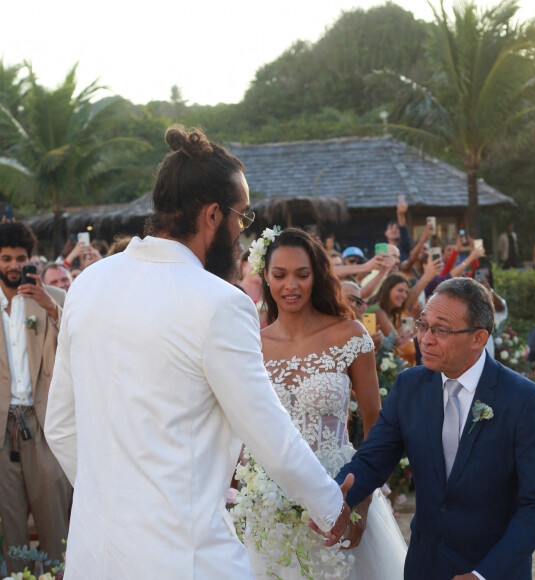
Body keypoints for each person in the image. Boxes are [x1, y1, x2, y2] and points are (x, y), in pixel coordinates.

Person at [44, 127, 351, 580]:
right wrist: (329, 505)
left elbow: (60, 427)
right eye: (241, 218)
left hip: (94, 555)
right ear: (213, 215)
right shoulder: (219, 304)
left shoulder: (88, 284)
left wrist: (114, 501)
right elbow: (268, 432)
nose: (242, 234)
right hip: (183, 558)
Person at [331, 277, 535, 580]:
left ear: (478, 338)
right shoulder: (409, 387)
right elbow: (372, 460)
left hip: (493, 568)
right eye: (422, 325)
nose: (424, 339)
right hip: (425, 566)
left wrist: (482, 574)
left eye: (441, 330)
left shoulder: (524, 400)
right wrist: (333, 501)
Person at [242, 227, 406, 579]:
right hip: (271, 502)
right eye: (280, 275)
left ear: (316, 275)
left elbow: (376, 425)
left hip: (342, 492)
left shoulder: (349, 336)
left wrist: (361, 499)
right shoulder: (251, 344)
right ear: (265, 278)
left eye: (302, 274)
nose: (292, 286)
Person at [0, 222, 73, 574]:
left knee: (54, 524)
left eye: (21, 258)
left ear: (32, 260)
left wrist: (50, 306)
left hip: (45, 427)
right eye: (6, 258)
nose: (14, 265)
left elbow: (81, 344)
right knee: (11, 531)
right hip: (3, 431)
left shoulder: (55, 299)